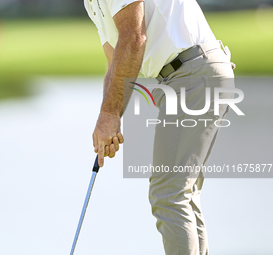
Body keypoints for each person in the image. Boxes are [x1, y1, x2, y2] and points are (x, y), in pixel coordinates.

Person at [86, 0, 235, 254]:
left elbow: (134, 39)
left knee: (168, 196)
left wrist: (109, 114)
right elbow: (116, 60)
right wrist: (110, 118)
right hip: (188, 75)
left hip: (192, 72)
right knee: (182, 196)